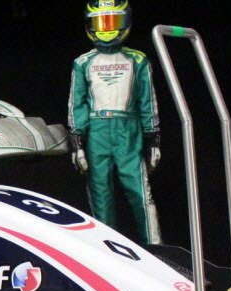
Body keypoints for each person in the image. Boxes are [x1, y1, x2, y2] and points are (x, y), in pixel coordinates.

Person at [68, 0, 162, 245]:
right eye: (101, 22)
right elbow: (77, 104)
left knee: (140, 192)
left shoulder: (138, 60)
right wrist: (77, 143)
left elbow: (147, 101)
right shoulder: (82, 62)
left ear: (125, 21)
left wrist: (153, 138)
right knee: (100, 196)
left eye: (113, 21)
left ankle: (156, 250)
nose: (107, 28)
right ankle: (107, 251)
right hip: (96, 132)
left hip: (128, 131)